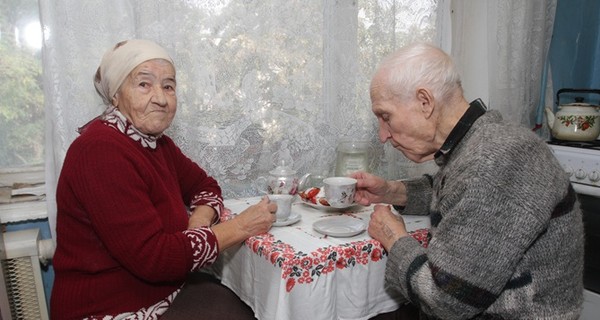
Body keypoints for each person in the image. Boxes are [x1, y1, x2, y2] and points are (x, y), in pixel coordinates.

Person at [352, 42, 584, 319]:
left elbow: (446, 301)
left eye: (385, 116)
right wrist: (390, 191)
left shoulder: (493, 161)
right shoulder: (480, 141)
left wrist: (393, 237)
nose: (383, 135)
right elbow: (458, 191)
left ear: (425, 102)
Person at [51, 39, 277, 320]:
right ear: (115, 96)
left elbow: (205, 186)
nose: (161, 97)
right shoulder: (100, 150)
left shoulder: (156, 144)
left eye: (168, 86)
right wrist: (241, 226)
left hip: (163, 292)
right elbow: (155, 259)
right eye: (144, 84)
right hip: (111, 309)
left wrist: (199, 222)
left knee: (252, 305)